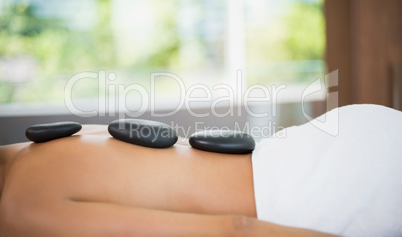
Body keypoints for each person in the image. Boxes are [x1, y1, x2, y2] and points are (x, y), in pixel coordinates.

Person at [0, 104, 401, 236]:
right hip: (341, 144)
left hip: (321, 198)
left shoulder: (22, 206)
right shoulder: (33, 150)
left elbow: (234, 228)